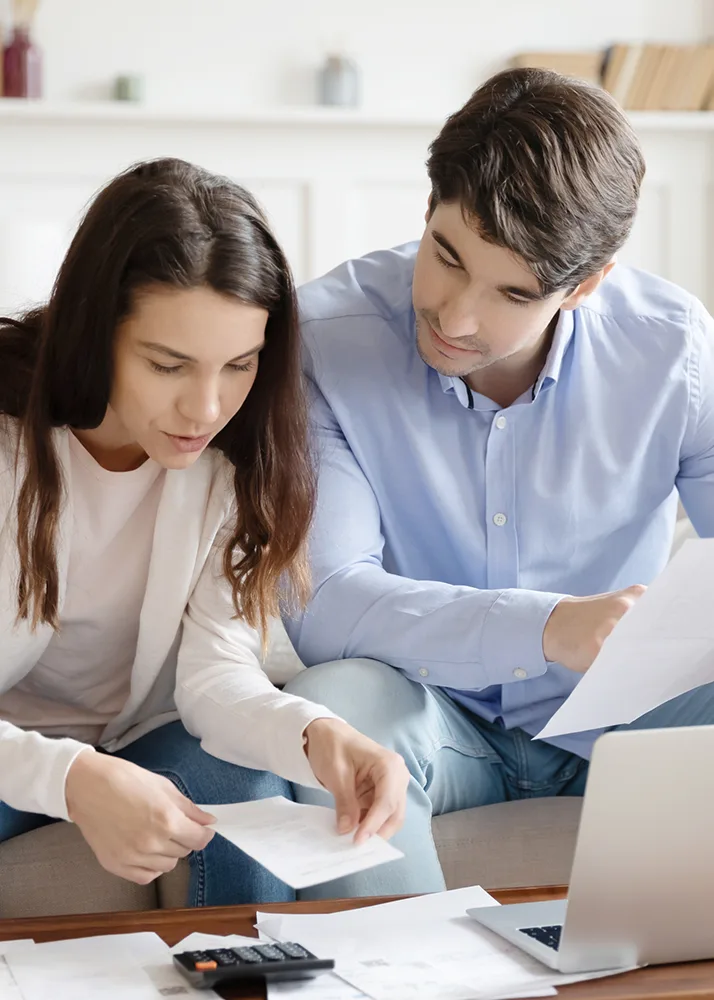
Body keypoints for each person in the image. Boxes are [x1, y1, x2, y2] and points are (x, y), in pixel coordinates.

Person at [283, 68, 714, 898]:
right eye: (446, 256)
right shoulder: (325, 340)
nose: (455, 317)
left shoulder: (674, 353)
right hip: (431, 716)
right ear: (429, 207)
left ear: (586, 286)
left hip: (625, 721)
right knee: (332, 705)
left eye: (513, 293)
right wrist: (550, 627)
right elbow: (326, 603)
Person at [0, 157, 408, 908]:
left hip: (138, 736)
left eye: (240, 365)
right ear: (97, 330)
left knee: (247, 793)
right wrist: (71, 778)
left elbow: (216, 673)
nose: (206, 406)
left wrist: (321, 736)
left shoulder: (232, 462)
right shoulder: (10, 445)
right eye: (168, 365)